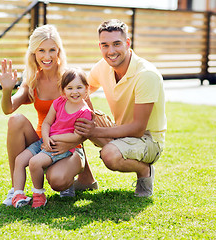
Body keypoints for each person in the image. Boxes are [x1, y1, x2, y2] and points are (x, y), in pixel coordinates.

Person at [0, 25, 97, 206]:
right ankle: (16, 191)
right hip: (42, 142)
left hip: (70, 145)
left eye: (52, 50)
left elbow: (90, 121)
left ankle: (68, 179)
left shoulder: (70, 79)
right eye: (41, 50)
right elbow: (8, 109)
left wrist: (71, 142)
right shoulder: (32, 80)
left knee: (57, 180)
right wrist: (6, 90)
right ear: (34, 52)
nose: (47, 56)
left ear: (59, 51)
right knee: (15, 120)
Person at [75, 19, 167, 197]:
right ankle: (86, 179)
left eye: (117, 44)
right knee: (79, 119)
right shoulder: (103, 66)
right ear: (99, 46)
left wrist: (94, 131)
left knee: (110, 155)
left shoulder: (146, 74)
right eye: (105, 45)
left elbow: (138, 129)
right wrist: (86, 116)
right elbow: (82, 90)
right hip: (120, 131)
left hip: (148, 140)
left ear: (127, 43)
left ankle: (144, 171)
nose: (111, 51)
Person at [11, 68, 92, 208]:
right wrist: (46, 138)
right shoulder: (59, 102)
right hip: (46, 140)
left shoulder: (84, 112)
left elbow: (77, 136)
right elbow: (47, 123)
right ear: (63, 90)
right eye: (70, 88)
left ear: (86, 89)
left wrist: (55, 139)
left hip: (63, 146)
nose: (75, 92)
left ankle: (39, 195)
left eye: (79, 87)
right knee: (19, 160)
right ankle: (18, 195)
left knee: (35, 162)